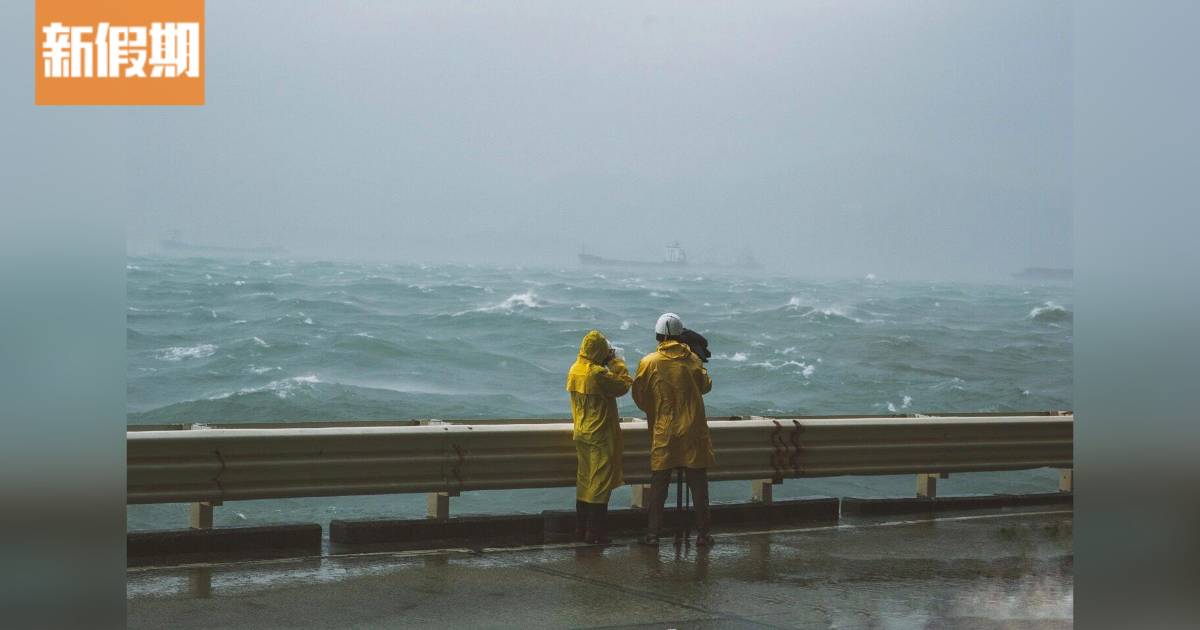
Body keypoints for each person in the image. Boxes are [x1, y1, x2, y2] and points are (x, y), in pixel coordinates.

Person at [632, 312, 715, 546]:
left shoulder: (649, 362)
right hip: (693, 430)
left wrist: (656, 411)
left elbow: (639, 396)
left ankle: (652, 535)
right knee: (698, 485)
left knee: (659, 485)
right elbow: (706, 387)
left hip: (664, 430)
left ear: (658, 335)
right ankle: (703, 534)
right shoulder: (693, 361)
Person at [566, 329, 632, 544]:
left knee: (584, 480)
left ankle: (580, 528)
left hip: (582, 431)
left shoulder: (575, 369)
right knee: (600, 484)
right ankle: (595, 533)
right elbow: (623, 386)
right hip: (600, 434)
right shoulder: (597, 373)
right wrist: (616, 362)